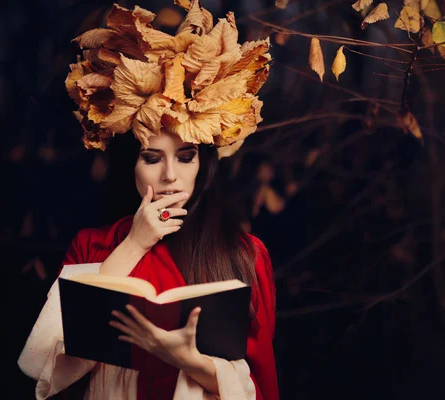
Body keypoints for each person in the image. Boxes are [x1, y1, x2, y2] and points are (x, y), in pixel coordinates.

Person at [17, 1, 278, 399]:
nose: (170, 175)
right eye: (152, 159)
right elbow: (49, 358)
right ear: (131, 167)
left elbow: (260, 384)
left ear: (202, 164)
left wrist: (188, 360)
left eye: (185, 157)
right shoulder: (94, 244)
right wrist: (135, 244)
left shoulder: (244, 254)